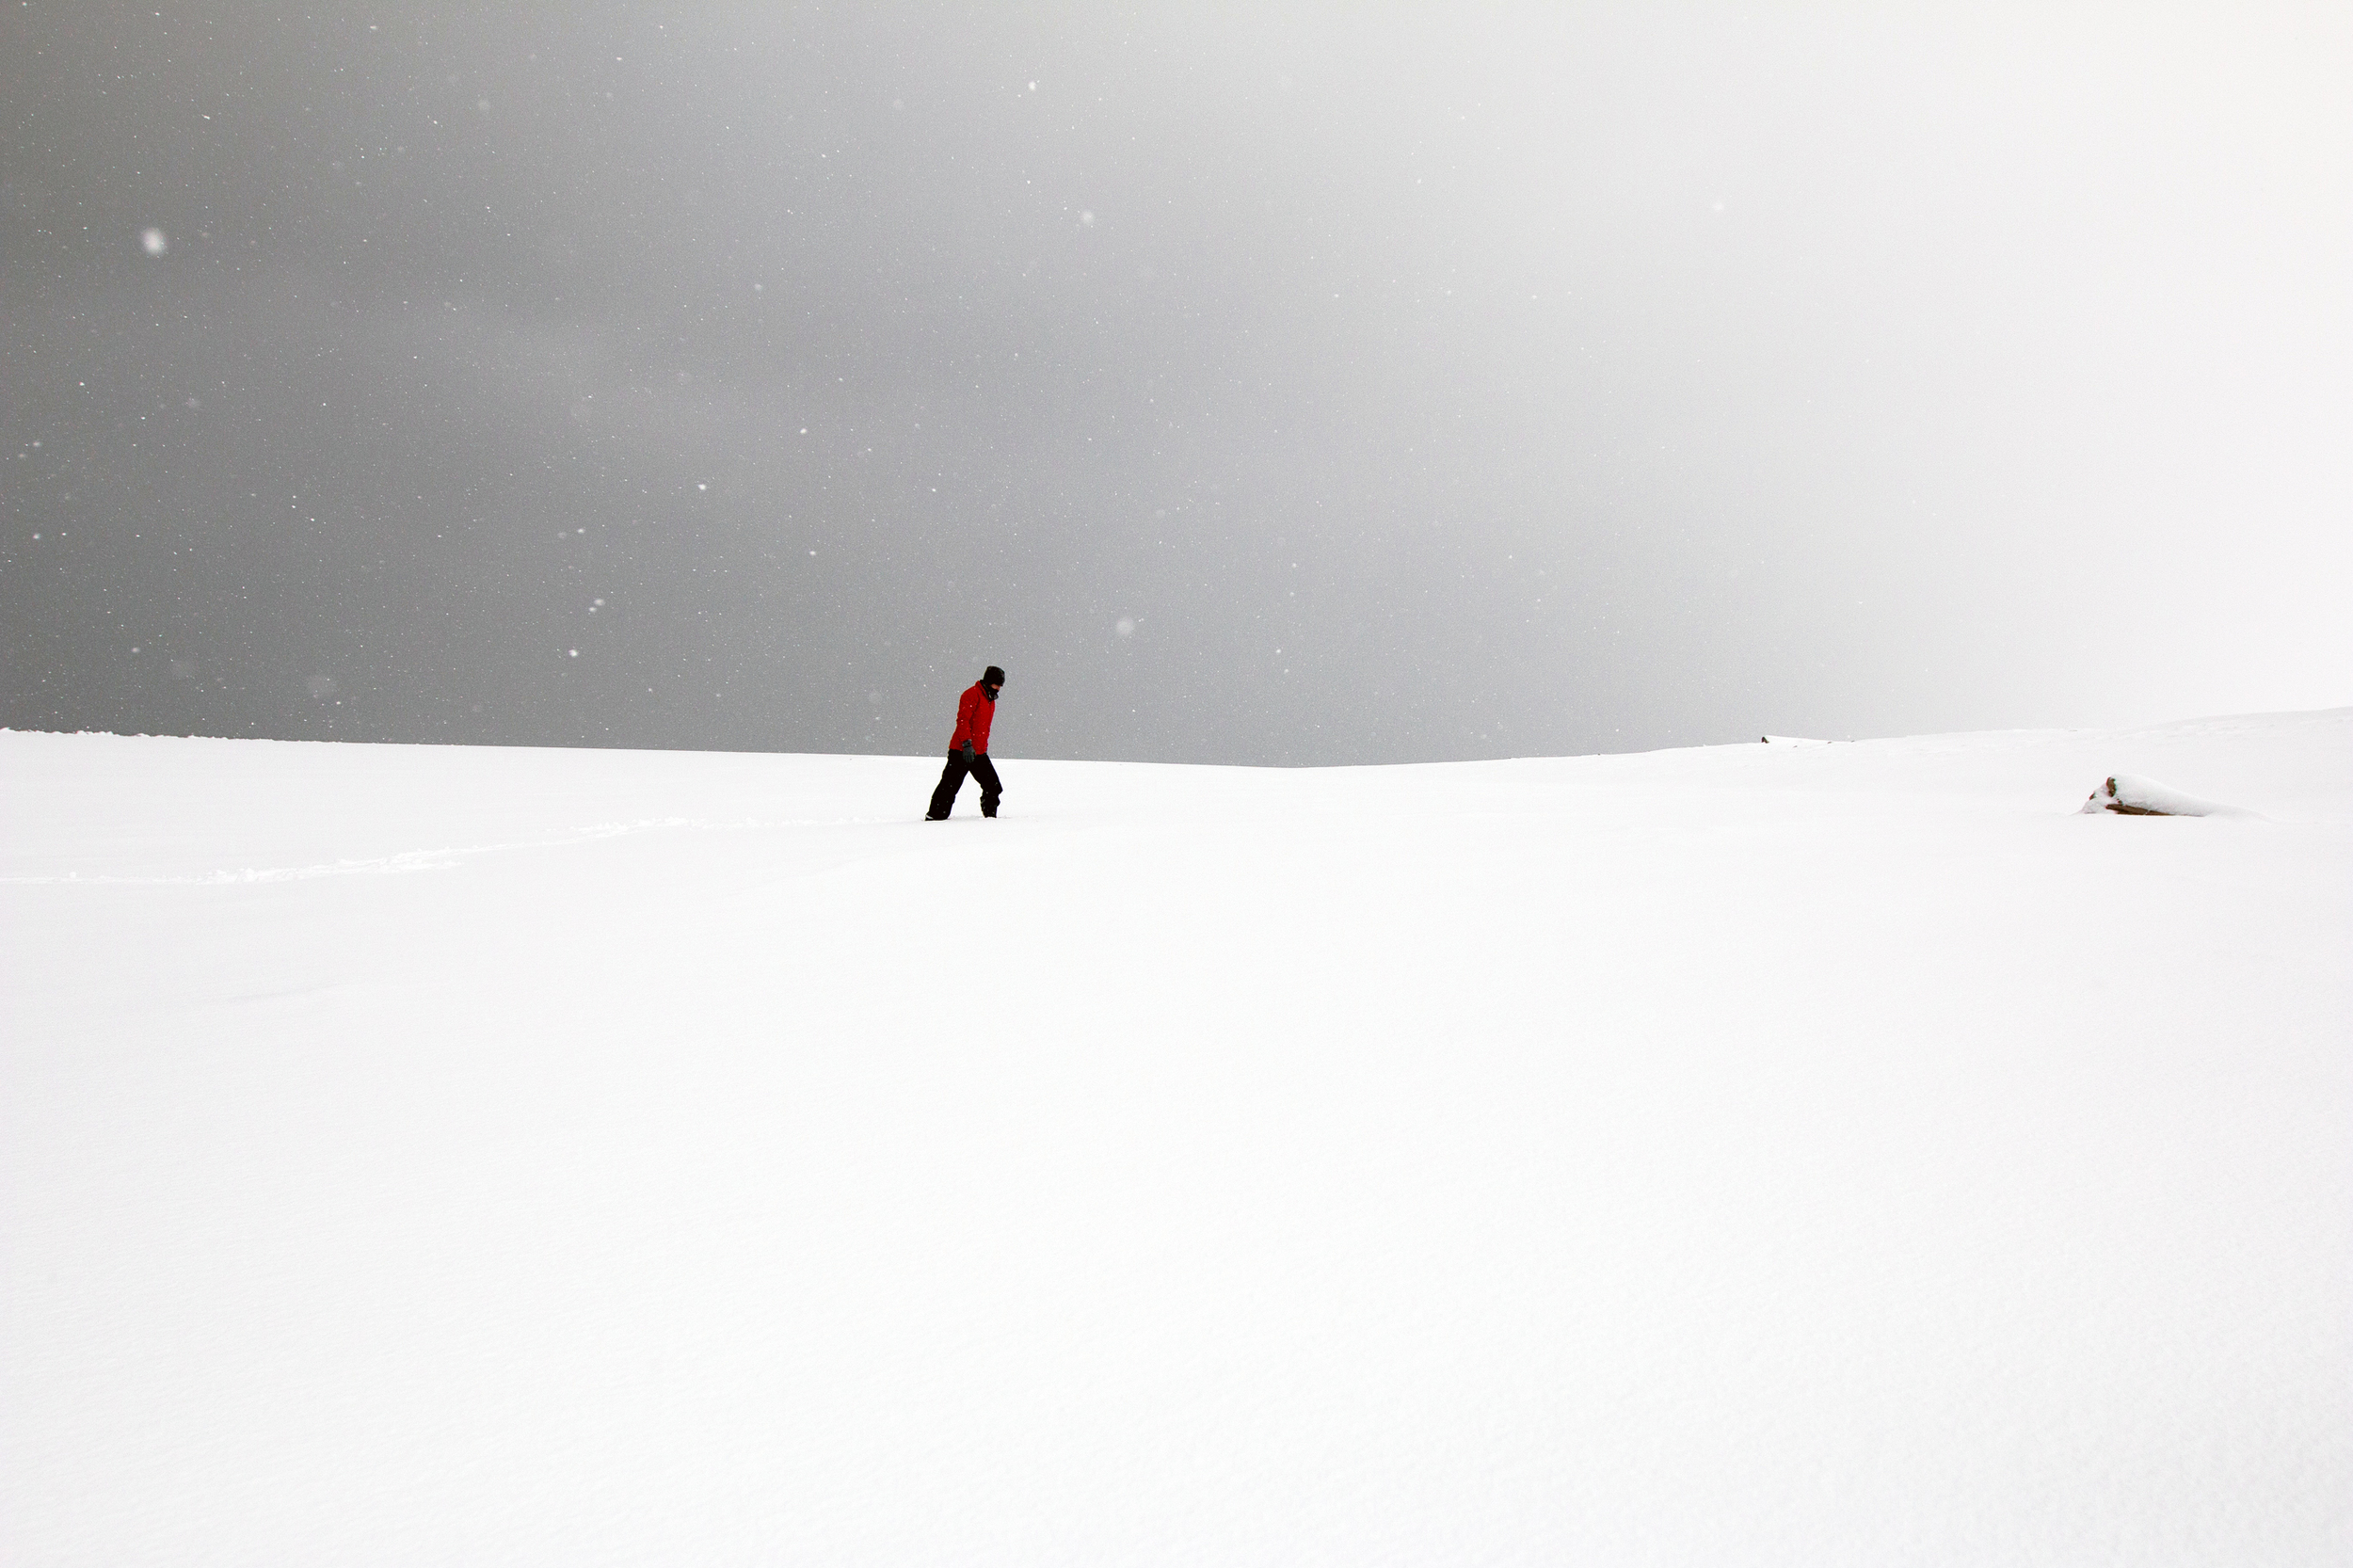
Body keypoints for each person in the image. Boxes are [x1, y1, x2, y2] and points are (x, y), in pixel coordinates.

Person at [925, 665, 1005, 820]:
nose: (999, 688)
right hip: (961, 751)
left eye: (1000, 685)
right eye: (997, 684)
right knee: (949, 787)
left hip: (979, 753)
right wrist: (967, 744)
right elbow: (963, 721)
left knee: (993, 786)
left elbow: (983, 728)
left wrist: (982, 748)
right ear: (989, 682)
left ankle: (990, 818)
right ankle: (934, 817)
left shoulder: (990, 700)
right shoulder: (971, 695)